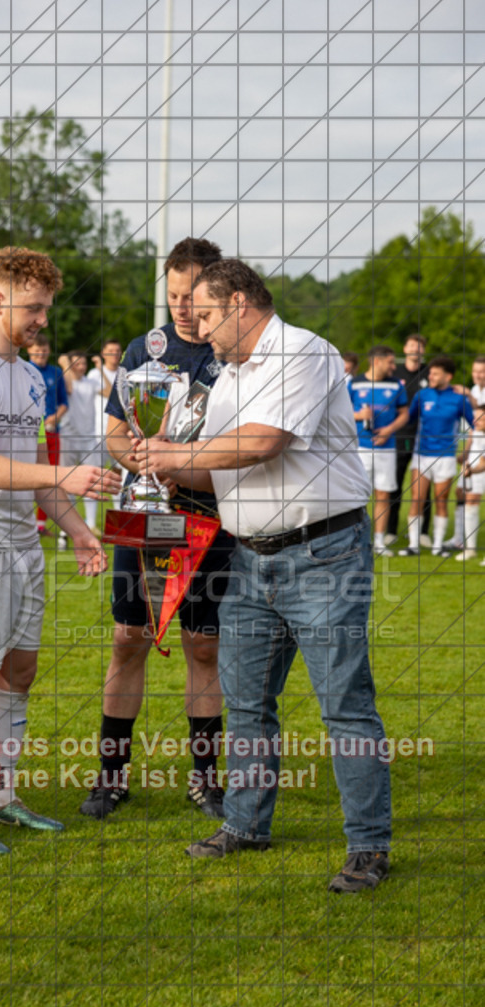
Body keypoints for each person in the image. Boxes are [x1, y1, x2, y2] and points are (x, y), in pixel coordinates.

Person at [135, 258, 392, 893]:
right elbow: (217, 468)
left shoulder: (304, 351)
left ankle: (368, 846)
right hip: (247, 558)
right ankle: (247, 824)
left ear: (241, 302)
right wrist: (160, 466)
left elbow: (262, 442)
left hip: (323, 555)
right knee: (247, 702)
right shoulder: (227, 375)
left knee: (344, 705)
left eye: (206, 309)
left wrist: (178, 454)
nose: (195, 320)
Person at [0, 247, 120, 855]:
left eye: (46, 308)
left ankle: (2, 798)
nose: (42, 319)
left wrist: (78, 530)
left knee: (20, 670)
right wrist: (63, 481)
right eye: (33, 308)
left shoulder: (32, 377)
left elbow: (35, 469)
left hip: (20, 539)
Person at [79, 236, 236, 822]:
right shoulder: (145, 351)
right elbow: (117, 433)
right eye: (171, 296)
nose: (180, 308)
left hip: (208, 515)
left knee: (204, 644)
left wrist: (186, 467)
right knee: (128, 640)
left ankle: (206, 781)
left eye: (191, 297)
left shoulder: (237, 357)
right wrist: (144, 462)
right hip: (142, 509)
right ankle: (111, 778)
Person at [398, 356, 474, 557]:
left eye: (435, 373)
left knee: (441, 501)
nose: (430, 376)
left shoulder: (459, 399)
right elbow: (408, 419)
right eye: (430, 373)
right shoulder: (422, 395)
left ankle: (437, 547)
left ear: (448, 376)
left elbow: (477, 425)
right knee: (417, 499)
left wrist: (467, 452)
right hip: (421, 455)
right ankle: (413, 545)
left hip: (446, 457)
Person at [348, 346, 408, 556]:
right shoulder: (354, 384)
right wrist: (358, 415)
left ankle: (380, 543)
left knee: (383, 494)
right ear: (377, 361)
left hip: (386, 448)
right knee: (358, 497)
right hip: (360, 449)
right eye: (390, 362)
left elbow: (404, 413)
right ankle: (357, 541)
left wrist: (389, 430)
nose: (394, 366)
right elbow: (341, 412)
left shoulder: (396, 385)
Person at [386, 334, 431, 545]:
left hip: (424, 438)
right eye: (412, 345)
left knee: (425, 487)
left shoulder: (430, 373)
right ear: (405, 348)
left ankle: (423, 532)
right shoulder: (395, 372)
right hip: (400, 436)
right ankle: (390, 531)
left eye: (419, 346)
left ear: (423, 350)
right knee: (394, 484)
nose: (415, 349)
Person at [27, 333, 69, 535]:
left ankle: (40, 524)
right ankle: (22, 520)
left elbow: (64, 403)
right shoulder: (21, 369)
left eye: (44, 351)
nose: (41, 354)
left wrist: (54, 418)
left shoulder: (56, 372)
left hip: (52, 431)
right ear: (29, 349)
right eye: (37, 350)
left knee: (49, 476)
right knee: (25, 475)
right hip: (28, 431)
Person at [57, 350, 101, 540]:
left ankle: (91, 523)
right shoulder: (66, 381)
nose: (81, 367)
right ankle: (71, 525)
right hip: (68, 436)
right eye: (77, 364)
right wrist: (65, 363)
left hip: (88, 437)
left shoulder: (91, 382)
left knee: (92, 481)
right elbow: (69, 389)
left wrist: (99, 368)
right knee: (68, 483)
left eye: (84, 364)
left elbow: (108, 391)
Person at [447, 356, 485, 551]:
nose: (477, 375)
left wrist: (468, 394)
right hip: (475, 451)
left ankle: (469, 546)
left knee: (474, 497)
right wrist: (466, 452)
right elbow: (474, 427)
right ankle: (459, 538)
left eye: (482, 372)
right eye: (475, 371)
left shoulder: (475, 393)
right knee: (461, 492)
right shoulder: (477, 390)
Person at [85, 339, 123, 531]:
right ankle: (91, 523)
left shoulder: (123, 374)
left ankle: (117, 521)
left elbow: (115, 395)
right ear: (103, 352)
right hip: (97, 434)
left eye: (117, 350)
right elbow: (110, 394)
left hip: (118, 435)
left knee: (118, 478)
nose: (114, 354)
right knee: (95, 478)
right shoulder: (93, 374)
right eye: (110, 350)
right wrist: (99, 369)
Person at [459, 407, 485, 564]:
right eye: (475, 418)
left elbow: (483, 464)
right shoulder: (476, 432)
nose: (475, 421)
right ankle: (470, 549)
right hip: (476, 470)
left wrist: (471, 471)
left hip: (479, 469)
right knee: (470, 504)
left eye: (480, 419)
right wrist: (464, 463)